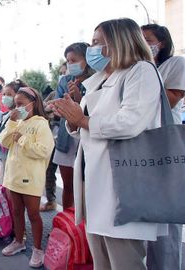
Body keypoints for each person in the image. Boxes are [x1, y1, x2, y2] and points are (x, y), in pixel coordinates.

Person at [51, 18, 168, 269]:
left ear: (118, 42)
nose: (91, 49)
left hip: (124, 187)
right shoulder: (101, 79)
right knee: (102, 262)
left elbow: (129, 122)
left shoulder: (142, 71)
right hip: (98, 186)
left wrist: (81, 119)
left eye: (96, 42)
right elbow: (88, 129)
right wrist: (73, 121)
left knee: (124, 261)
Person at [141, 23, 185, 270]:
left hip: (166, 143)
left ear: (161, 42)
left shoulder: (177, 64)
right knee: (147, 213)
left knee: (169, 214)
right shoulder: (139, 68)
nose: (142, 43)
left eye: (147, 39)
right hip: (143, 143)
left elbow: (171, 98)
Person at [0, 87, 54, 268]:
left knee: (33, 214)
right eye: (16, 104)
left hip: (31, 178)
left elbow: (44, 151)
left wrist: (22, 139)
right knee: (16, 211)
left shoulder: (41, 123)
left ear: (33, 102)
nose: (17, 108)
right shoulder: (18, 122)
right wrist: (12, 123)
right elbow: (3, 142)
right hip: (13, 176)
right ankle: (19, 241)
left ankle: (38, 249)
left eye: (21, 104)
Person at [51, 42, 95, 210]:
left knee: (86, 185)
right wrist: (72, 100)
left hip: (87, 138)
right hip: (67, 139)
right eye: (68, 61)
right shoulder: (65, 80)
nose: (70, 64)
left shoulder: (98, 80)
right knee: (68, 185)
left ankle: (83, 225)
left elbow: (94, 111)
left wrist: (79, 97)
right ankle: (68, 223)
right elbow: (61, 107)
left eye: (74, 60)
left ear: (87, 59)